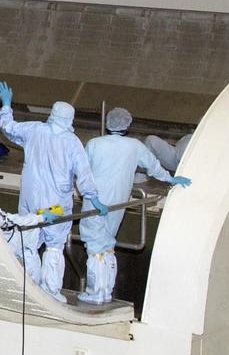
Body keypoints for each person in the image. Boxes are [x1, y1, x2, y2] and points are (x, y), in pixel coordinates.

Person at [0, 82, 108, 302]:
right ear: (70, 119)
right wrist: (93, 198)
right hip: (55, 204)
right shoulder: (72, 142)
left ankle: (29, 285)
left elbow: (9, 128)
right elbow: (83, 173)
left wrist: (7, 105)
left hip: (30, 198)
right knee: (54, 246)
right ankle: (51, 291)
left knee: (28, 241)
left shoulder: (35, 130)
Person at [78, 108, 192, 305]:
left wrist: (91, 197)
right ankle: (105, 292)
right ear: (127, 125)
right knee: (107, 244)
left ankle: (95, 293)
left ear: (108, 123)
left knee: (94, 244)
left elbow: (82, 172)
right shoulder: (134, 146)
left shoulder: (95, 144)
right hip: (119, 201)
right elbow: (153, 166)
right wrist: (170, 179)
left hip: (96, 200)